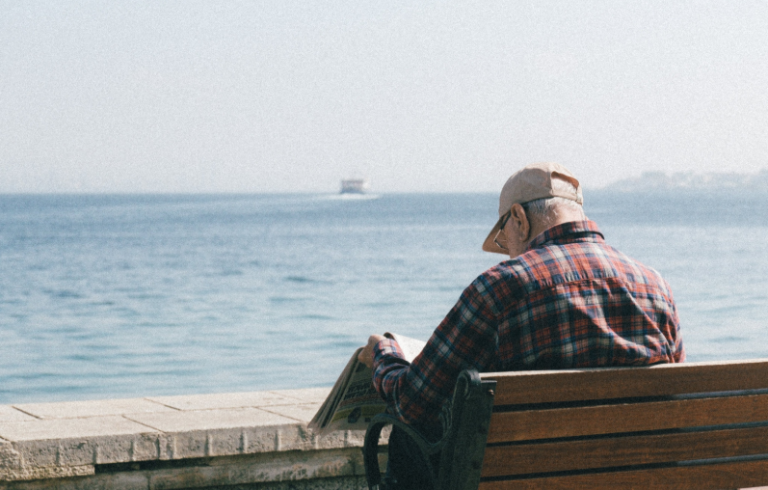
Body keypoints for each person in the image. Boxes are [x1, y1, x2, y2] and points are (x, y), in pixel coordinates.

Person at [358, 162, 685, 489]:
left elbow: (412, 402)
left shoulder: (500, 289)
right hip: (633, 481)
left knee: (407, 434)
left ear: (519, 218)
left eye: (504, 239)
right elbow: (676, 399)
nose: (507, 253)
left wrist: (384, 353)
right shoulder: (655, 287)